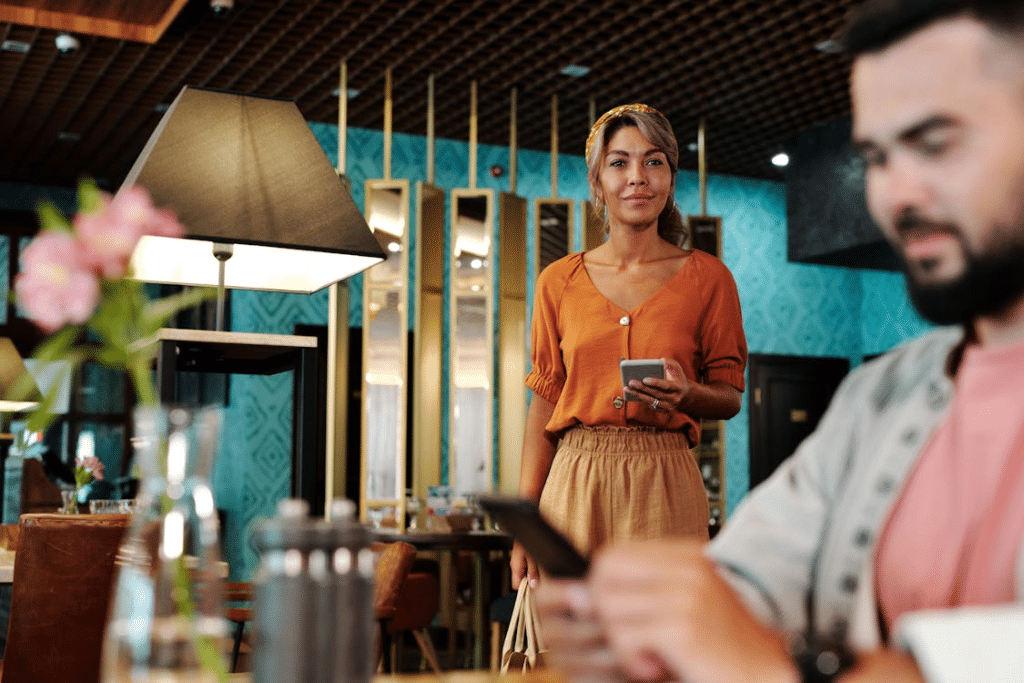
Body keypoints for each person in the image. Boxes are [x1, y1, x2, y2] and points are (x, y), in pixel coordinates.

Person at [536, 1, 1024, 682]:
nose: (896, 193)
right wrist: (641, 626)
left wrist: (771, 664)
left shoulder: (707, 278)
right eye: (877, 157)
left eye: (936, 141)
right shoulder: (879, 396)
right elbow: (743, 578)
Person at [512, 103, 748, 590]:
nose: (637, 177)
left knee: (662, 647)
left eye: (653, 160)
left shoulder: (710, 278)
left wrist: (690, 395)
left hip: (667, 480)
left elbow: (729, 396)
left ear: (671, 178)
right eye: (619, 163)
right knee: (571, 652)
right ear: (597, 182)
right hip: (575, 480)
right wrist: (525, 527)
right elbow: (544, 405)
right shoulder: (558, 281)